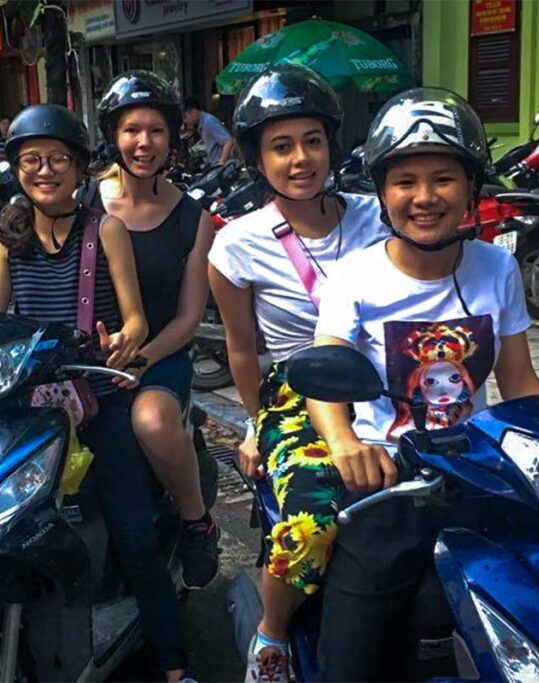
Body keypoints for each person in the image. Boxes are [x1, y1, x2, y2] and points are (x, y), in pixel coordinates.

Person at [307, 88, 539, 681]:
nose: (424, 197)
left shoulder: (495, 268)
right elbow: (326, 374)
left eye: (442, 178)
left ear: (470, 187)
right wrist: (345, 443)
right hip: (392, 481)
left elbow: (520, 381)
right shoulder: (354, 277)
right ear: (383, 193)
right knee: (351, 656)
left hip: (487, 473)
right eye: (405, 181)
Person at [0, 104, 195, 683]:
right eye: (32, 160)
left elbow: (134, 320)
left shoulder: (105, 229)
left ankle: (175, 662)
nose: (45, 170)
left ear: (81, 169)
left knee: (130, 528)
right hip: (24, 398)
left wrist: (124, 343)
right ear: (16, 168)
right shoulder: (10, 233)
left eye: (58, 159)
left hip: (95, 393)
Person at [206, 64, 390, 682]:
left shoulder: (378, 216)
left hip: (388, 381)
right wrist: (257, 423)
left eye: (312, 141)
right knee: (312, 525)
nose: (300, 158)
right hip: (297, 391)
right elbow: (241, 350)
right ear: (258, 159)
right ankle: (272, 635)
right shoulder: (237, 245)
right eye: (281, 146)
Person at [95, 71, 219, 589]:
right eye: (131, 130)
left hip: (161, 354)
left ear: (173, 138)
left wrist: (140, 357)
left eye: (156, 130)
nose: (143, 143)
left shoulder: (194, 219)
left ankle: (196, 522)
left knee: (150, 420)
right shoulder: (85, 204)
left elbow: (189, 318)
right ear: (113, 136)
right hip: (90, 354)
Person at [182, 96, 233, 165]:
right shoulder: (202, 123)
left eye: (185, 117)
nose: (185, 121)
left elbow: (228, 141)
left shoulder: (208, 122)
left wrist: (221, 164)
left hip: (220, 166)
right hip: (212, 163)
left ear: (193, 112)